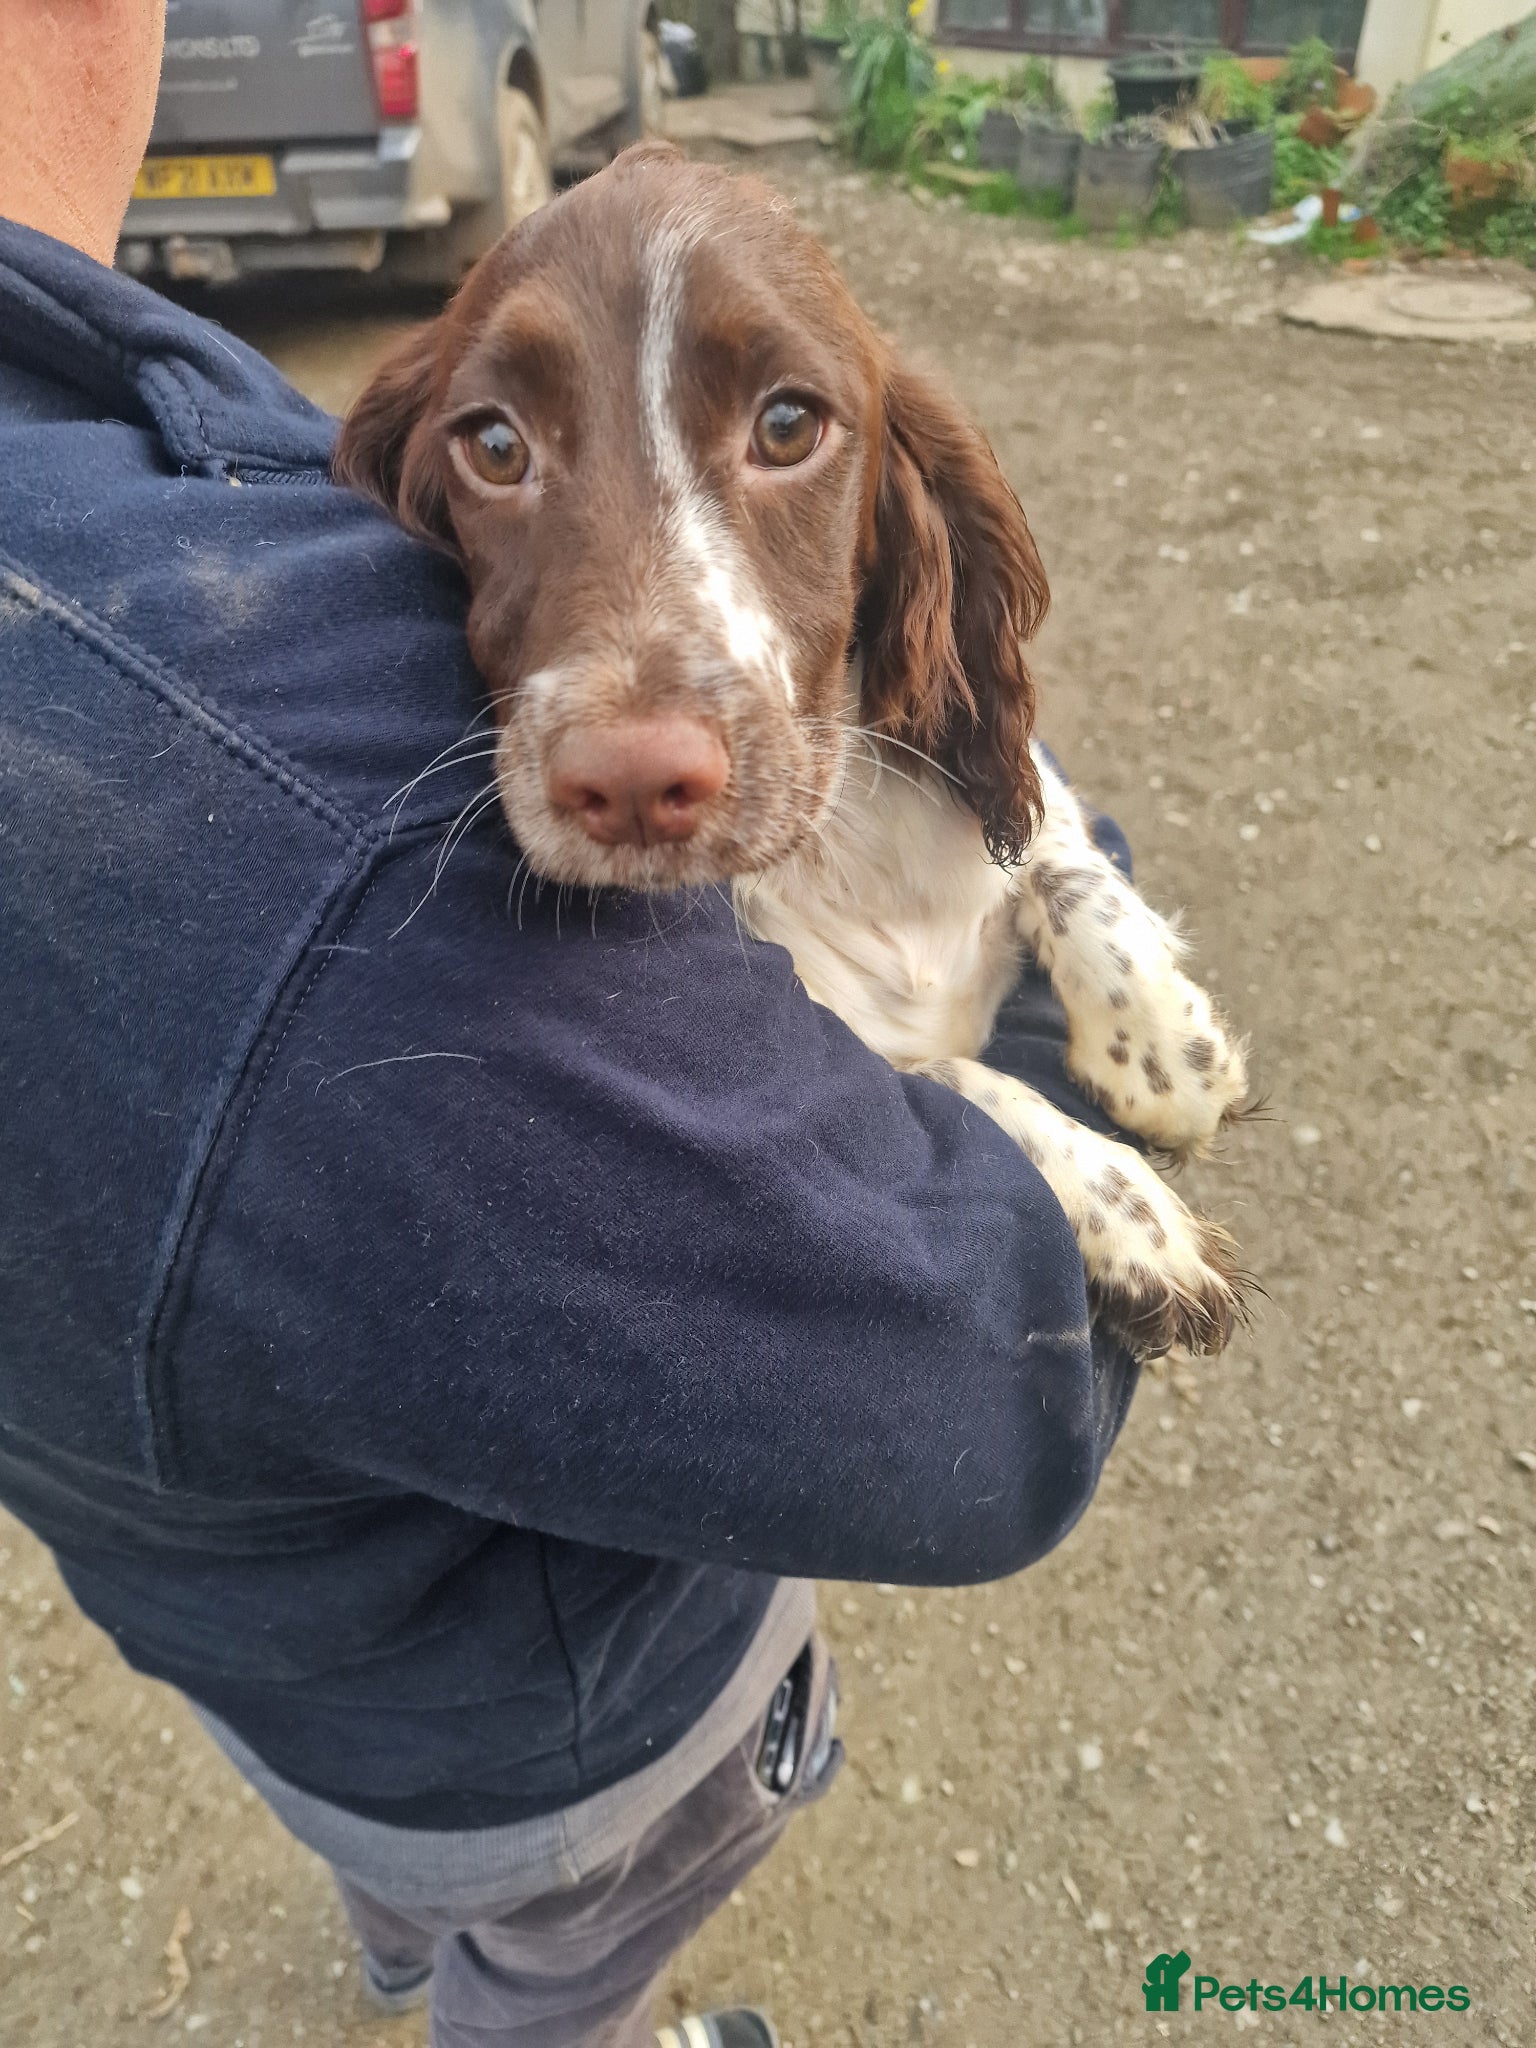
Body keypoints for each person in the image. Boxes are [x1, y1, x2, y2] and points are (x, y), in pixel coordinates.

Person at [0, 9, 1139, 2045]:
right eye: (500, 448)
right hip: (570, 1749)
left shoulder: (127, 419)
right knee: (572, 1957)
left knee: (391, 1868)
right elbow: (986, 1397)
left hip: (246, 1640)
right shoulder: (275, 791)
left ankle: (390, 1941)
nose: (636, 739)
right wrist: (1045, 1007)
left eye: (783, 429)